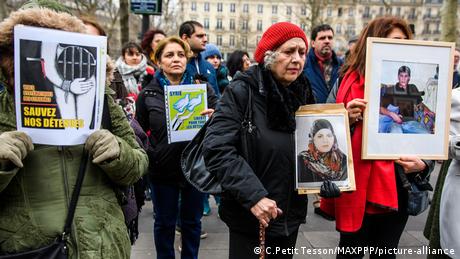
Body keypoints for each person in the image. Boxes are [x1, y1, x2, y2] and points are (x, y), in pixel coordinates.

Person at [0, 1, 148, 258]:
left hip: (101, 246)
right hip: (30, 249)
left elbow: (137, 165)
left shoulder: (99, 99)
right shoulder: (2, 103)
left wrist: (117, 152)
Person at [319, 16, 434, 259]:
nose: (402, 45)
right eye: (394, 40)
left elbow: (430, 134)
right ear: (373, 41)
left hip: (398, 184)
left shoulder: (411, 88)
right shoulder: (346, 81)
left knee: (385, 253)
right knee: (350, 252)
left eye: (405, 40)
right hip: (355, 184)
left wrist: (424, 164)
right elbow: (324, 133)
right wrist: (346, 120)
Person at [202, 22, 315, 259]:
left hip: (289, 217)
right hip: (251, 218)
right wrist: (254, 196)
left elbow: (311, 147)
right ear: (269, 56)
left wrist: (325, 178)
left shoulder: (304, 92)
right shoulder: (242, 90)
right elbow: (217, 149)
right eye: (289, 51)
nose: (297, 59)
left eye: (302, 53)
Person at [135, 36, 217, 259]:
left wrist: (215, 118)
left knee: (192, 222)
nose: (176, 59)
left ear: (187, 59)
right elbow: (139, 131)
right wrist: (149, 154)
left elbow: (223, 125)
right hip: (162, 170)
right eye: (169, 55)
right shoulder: (148, 94)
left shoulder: (203, 90)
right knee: (164, 223)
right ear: (159, 61)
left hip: (195, 168)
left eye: (181, 55)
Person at [379, 65, 430, 134]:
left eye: (406, 76)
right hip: (395, 123)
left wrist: (428, 111)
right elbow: (380, 108)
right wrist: (393, 115)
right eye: (401, 76)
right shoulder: (390, 90)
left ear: (409, 77)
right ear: (398, 77)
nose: (403, 79)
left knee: (426, 134)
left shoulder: (413, 88)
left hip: (411, 123)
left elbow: (420, 103)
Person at [297, 119, 347, 183]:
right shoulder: (303, 159)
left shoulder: (343, 159)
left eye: (329, 135)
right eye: (320, 136)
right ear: (313, 139)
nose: (325, 140)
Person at [304, 24, 343, 104]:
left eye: (330, 38)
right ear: (313, 43)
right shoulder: (303, 65)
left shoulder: (343, 66)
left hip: (336, 114)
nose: (327, 41)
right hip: (313, 114)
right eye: (322, 38)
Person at [179, 21, 220, 97]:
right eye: (200, 36)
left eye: (205, 35)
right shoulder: (176, 66)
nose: (205, 39)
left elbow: (216, 96)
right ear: (185, 38)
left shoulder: (209, 67)